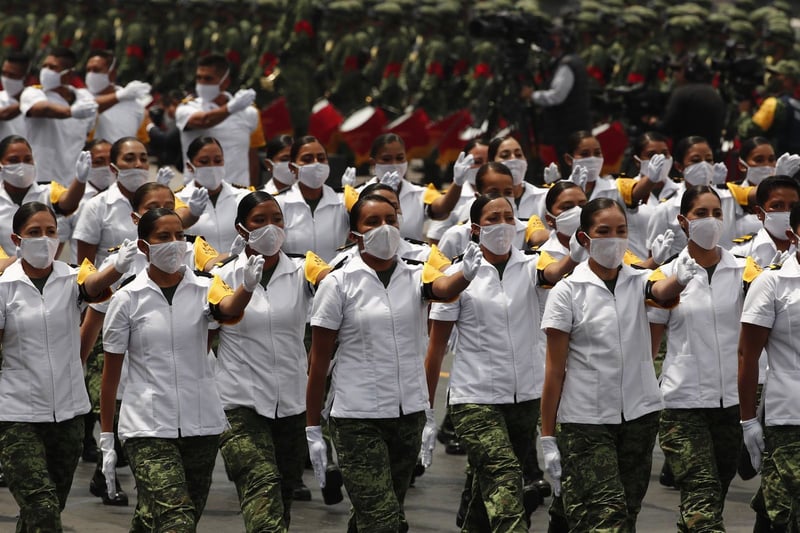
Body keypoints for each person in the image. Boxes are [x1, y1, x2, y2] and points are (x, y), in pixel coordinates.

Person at [306, 194, 480, 532]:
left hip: (407, 416)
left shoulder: (415, 275)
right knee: (384, 521)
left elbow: (442, 287)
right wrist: (314, 429)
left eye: (391, 220)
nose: (384, 228)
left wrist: (466, 275)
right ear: (355, 233)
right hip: (357, 418)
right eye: (372, 222)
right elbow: (319, 362)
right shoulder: (337, 283)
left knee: (380, 513)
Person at [540, 197, 700, 530]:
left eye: (621, 231)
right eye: (604, 231)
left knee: (626, 512)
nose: (614, 239)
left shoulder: (636, 280)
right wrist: (547, 436)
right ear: (584, 239)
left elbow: (660, 288)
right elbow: (554, 371)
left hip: (639, 417)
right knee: (607, 516)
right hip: (586, 421)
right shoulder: (566, 292)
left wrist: (680, 279)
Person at [100, 207, 264, 532]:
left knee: (159, 519)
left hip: (201, 423)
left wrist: (245, 288)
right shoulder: (127, 298)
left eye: (179, 235)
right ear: (144, 246)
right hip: (147, 427)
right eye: (164, 237)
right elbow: (111, 374)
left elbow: (227, 308)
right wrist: (106, 437)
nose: (175, 243)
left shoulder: (206, 285)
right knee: (178, 521)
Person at [425, 194, 579, 532]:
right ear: (477, 228)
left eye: (509, 217)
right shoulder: (458, 274)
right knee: (506, 478)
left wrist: (574, 256)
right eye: (494, 218)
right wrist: (426, 413)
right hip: (475, 399)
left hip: (525, 398)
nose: (504, 224)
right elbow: (436, 349)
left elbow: (553, 272)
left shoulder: (530, 264)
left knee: (489, 484)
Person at [0, 201, 135, 531]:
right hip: (18, 415)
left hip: (69, 412)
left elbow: (93, 287)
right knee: (41, 504)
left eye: (50, 232)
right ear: (17, 239)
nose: (44, 239)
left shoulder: (73, 275)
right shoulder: (4, 287)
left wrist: (116, 266)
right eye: (34, 232)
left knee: (48, 507)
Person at [214, 191, 331, 531]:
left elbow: (334, 280)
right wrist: (245, 288)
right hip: (239, 404)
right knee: (261, 488)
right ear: (241, 229)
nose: (271, 228)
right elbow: (224, 313)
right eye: (259, 221)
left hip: (290, 404)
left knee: (281, 496)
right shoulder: (222, 276)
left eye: (276, 219)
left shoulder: (302, 268)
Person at [649, 185, 758, 531]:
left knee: (711, 496)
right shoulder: (665, 275)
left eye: (716, 213)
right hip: (683, 406)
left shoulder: (745, 271)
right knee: (702, 491)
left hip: (731, 405)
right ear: (683, 221)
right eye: (700, 214)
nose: (710, 221)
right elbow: (650, 347)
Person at [738, 202, 800, 533]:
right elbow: (748, 355)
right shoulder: (772, 283)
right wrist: (748, 420)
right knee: (785, 515)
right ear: (794, 234)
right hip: (790, 416)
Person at [72, 136, 178, 266]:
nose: (138, 164)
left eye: (143, 159)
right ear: (113, 167)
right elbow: (85, 266)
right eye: (129, 159)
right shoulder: (96, 206)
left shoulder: (162, 203)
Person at [176, 53, 265, 188]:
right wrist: (231, 108)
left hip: (238, 193)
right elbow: (204, 121)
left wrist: (253, 192)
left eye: (208, 79)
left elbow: (252, 157)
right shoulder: (187, 108)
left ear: (225, 82)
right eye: (198, 78)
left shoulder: (249, 113)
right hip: (197, 194)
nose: (201, 83)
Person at [359, 133, 466, 242]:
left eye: (400, 158)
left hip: (410, 257)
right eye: (386, 159)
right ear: (373, 162)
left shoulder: (420, 192)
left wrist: (457, 182)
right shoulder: (357, 194)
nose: (394, 164)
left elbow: (443, 207)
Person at [19, 47, 98, 186]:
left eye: (52, 67)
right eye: (44, 66)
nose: (45, 71)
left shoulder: (84, 98)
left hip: (73, 179)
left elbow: (87, 134)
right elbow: (41, 109)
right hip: (41, 178)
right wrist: (71, 112)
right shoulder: (33, 93)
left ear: (69, 74)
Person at [0, 134, 89, 254]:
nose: (22, 165)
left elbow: (68, 202)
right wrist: (21, 261)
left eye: (27, 159)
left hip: (43, 268)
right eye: (14, 160)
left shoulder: (48, 190)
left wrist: (80, 180)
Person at [520, 25, 591, 166]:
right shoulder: (565, 61)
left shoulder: (567, 64)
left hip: (569, 128)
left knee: (571, 166)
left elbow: (557, 96)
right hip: (570, 127)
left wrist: (532, 96)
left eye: (554, 37)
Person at [275, 135, 348, 262]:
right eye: (307, 159)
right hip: (294, 279)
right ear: (292, 167)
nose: (316, 164)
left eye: (321, 158)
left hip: (334, 278)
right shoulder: (279, 204)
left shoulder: (343, 202)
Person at [176, 136, 249, 253]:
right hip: (197, 269)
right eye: (204, 161)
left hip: (236, 268)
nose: (212, 166)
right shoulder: (178, 199)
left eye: (218, 160)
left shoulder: (244, 197)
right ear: (190, 166)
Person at [731, 175, 800, 267]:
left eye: (793, 206)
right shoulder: (741, 252)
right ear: (759, 212)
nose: (787, 212)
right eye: (777, 206)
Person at [84, 49, 151, 143]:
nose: (90, 74)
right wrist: (121, 96)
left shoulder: (135, 105)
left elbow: (143, 142)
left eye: (96, 70)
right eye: (88, 70)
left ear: (112, 73)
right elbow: (89, 107)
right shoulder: (80, 96)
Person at [738, 59, 800, 158]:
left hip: (776, 166)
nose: (772, 78)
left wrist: (744, 113)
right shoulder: (795, 103)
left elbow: (749, 132)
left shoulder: (773, 103)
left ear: (788, 80)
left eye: (777, 75)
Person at [0, 51, 29, 140]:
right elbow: (4, 114)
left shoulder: (37, 100)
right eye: (4, 73)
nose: (6, 78)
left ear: (25, 77)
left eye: (12, 75)